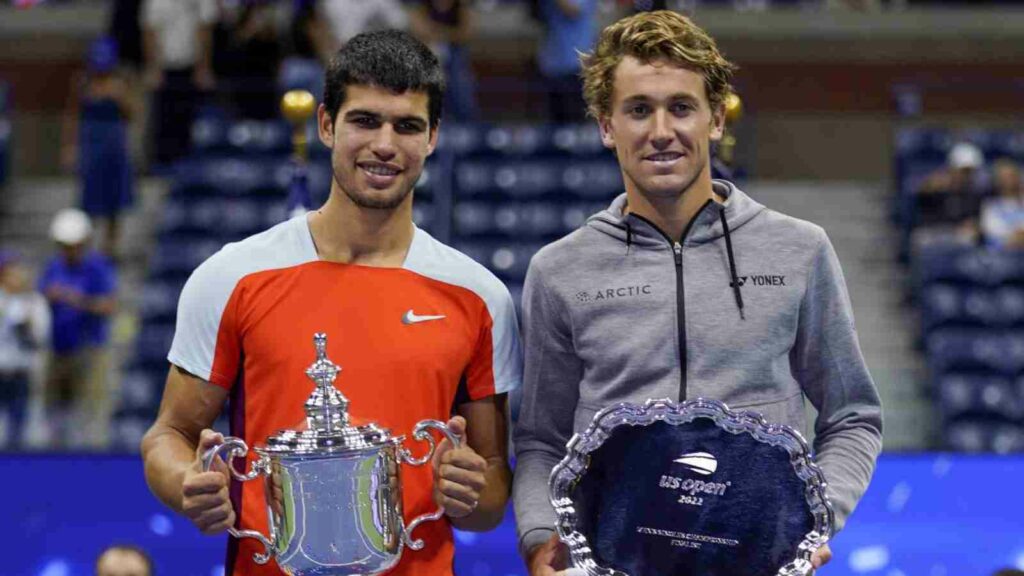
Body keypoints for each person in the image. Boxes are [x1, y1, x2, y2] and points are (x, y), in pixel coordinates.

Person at [512, 11, 883, 574]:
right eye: (639, 110)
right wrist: (541, 538)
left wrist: (812, 518)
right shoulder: (560, 270)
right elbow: (541, 439)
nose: (661, 131)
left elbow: (853, 415)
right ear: (606, 125)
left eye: (680, 107)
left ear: (715, 119)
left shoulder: (799, 250)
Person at [141, 30, 522, 576]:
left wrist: (471, 490)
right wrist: (188, 485)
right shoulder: (232, 276)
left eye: (407, 125)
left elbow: (490, 492)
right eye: (365, 120)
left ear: (433, 136)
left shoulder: (479, 297)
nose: (385, 144)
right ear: (326, 124)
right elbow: (168, 435)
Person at [38, 208, 118, 449]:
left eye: (72, 244)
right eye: (63, 245)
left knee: (89, 408)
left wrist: (76, 300)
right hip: (59, 348)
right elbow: (41, 294)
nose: (68, 250)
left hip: (90, 349)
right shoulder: (54, 265)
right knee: (54, 406)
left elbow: (108, 306)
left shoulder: (98, 267)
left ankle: (90, 457)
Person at [62, 37, 139, 258]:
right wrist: (69, 147)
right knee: (89, 197)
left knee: (114, 199)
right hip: (90, 143)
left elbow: (132, 115)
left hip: (114, 143)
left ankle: (110, 247)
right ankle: (85, 245)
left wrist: (119, 97)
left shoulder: (121, 83)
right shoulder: (82, 83)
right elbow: (72, 116)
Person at [142, 0, 218, 166]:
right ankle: (163, 163)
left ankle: (190, 164)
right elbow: (150, 32)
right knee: (164, 120)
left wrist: (203, 68)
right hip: (165, 68)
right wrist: (154, 68)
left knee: (190, 120)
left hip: (191, 68)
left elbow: (205, 30)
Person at [0, 252, 50, 449]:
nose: (16, 277)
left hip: (21, 373)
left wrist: (27, 327)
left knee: (18, 431)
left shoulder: (34, 302)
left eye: (18, 272)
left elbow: (40, 340)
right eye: (10, 273)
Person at [536, 0, 598, 123]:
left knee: (576, 123)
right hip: (551, 65)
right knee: (555, 124)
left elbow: (573, 10)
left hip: (576, 64)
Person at [979, 158, 1024, 248]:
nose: (1007, 181)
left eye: (1011, 176)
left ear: (1018, 178)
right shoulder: (990, 206)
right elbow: (991, 233)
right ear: (997, 180)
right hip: (1000, 256)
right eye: (1003, 177)